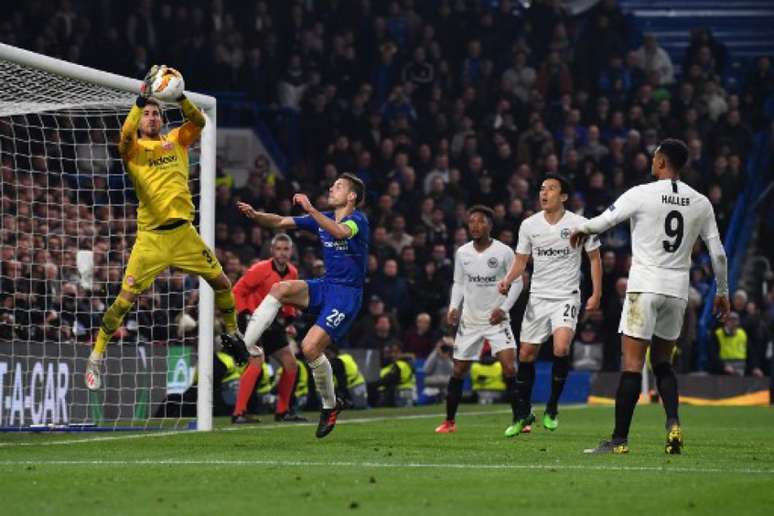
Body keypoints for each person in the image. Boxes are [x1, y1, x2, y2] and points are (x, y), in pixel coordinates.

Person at [85, 65, 246, 390]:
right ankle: (97, 354)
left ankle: (231, 332)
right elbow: (123, 137)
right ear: (141, 119)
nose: (153, 117)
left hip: (184, 234)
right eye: (148, 114)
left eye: (157, 113)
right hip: (152, 240)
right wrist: (141, 97)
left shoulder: (177, 140)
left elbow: (199, 122)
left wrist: (180, 96)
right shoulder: (134, 150)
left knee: (222, 283)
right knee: (124, 300)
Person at [571, 138, 730, 454]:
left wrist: (581, 229)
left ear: (660, 162)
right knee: (662, 362)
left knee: (631, 365)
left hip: (644, 286)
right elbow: (719, 255)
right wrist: (722, 292)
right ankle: (672, 422)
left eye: (654, 157)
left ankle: (619, 440)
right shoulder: (700, 202)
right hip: (677, 292)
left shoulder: (641, 194)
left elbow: (604, 222)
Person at [236, 173, 369, 438]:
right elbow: (280, 221)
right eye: (332, 185)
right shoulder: (322, 219)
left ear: (351, 196)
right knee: (280, 288)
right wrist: (256, 215)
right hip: (327, 285)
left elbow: (340, 232)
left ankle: (330, 405)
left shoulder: (358, 220)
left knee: (309, 348)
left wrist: (310, 208)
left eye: (339, 187)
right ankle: (246, 344)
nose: (332, 188)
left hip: (346, 295)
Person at [498, 174, 602, 435]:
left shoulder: (580, 224)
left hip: (566, 296)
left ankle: (553, 407)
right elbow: (521, 262)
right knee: (526, 355)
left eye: (551, 189)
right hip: (538, 297)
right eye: (542, 189)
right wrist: (508, 280)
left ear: (563, 196)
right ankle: (523, 413)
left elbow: (595, 259)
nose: (544, 193)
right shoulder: (529, 225)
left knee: (561, 346)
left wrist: (596, 294)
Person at [435, 205, 523, 434]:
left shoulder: (504, 252)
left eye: (480, 221)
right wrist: (454, 307)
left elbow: (518, 282)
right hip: (470, 321)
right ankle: (449, 422)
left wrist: (503, 309)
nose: (475, 225)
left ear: (490, 225)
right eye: (471, 221)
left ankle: (521, 419)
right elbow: (460, 283)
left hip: (496, 320)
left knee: (509, 368)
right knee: (459, 370)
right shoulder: (462, 252)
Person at [229, 233, 307, 423]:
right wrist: (245, 313)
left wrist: (289, 320)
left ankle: (282, 411)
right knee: (257, 362)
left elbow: (288, 298)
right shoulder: (259, 269)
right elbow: (237, 291)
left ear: (291, 251)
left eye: (286, 249)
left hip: (274, 323)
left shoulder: (293, 272)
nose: (282, 253)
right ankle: (238, 413)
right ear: (272, 251)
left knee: (290, 364)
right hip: (254, 319)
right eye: (279, 249)